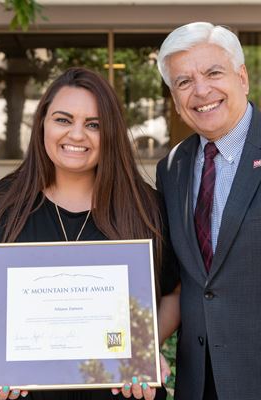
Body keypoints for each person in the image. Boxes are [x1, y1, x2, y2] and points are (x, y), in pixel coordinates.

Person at [0, 67, 180, 400]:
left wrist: (143, 349)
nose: (77, 135)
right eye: (63, 120)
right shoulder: (0, 207)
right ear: (42, 123)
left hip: (123, 391)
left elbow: (173, 293)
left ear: (111, 133)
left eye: (94, 125)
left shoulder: (146, 208)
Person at [156, 22, 261, 399]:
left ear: (242, 77)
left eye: (213, 72)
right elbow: (182, 280)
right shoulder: (172, 168)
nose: (201, 90)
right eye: (184, 82)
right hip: (198, 383)